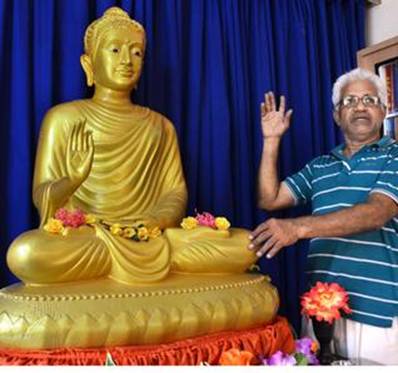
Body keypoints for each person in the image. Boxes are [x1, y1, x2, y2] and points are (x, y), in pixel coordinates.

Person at [6, 7, 256, 285]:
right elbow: (42, 195)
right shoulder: (64, 118)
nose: (127, 60)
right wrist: (73, 180)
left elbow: (175, 192)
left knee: (245, 244)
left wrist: (156, 221)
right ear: (88, 64)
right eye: (114, 50)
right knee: (27, 253)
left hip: (154, 239)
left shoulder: (160, 126)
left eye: (136, 52)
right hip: (90, 240)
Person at [249, 68, 398, 364]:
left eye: (369, 99)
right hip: (318, 312)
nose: (359, 106)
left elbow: (377, 212)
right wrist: (271, 141)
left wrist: (297, 228)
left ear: (383, 111)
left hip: (377, 314)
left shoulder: (394, 156)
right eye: (349, 101)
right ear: (336, 115)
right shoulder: (320, 166)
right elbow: (270, 198)